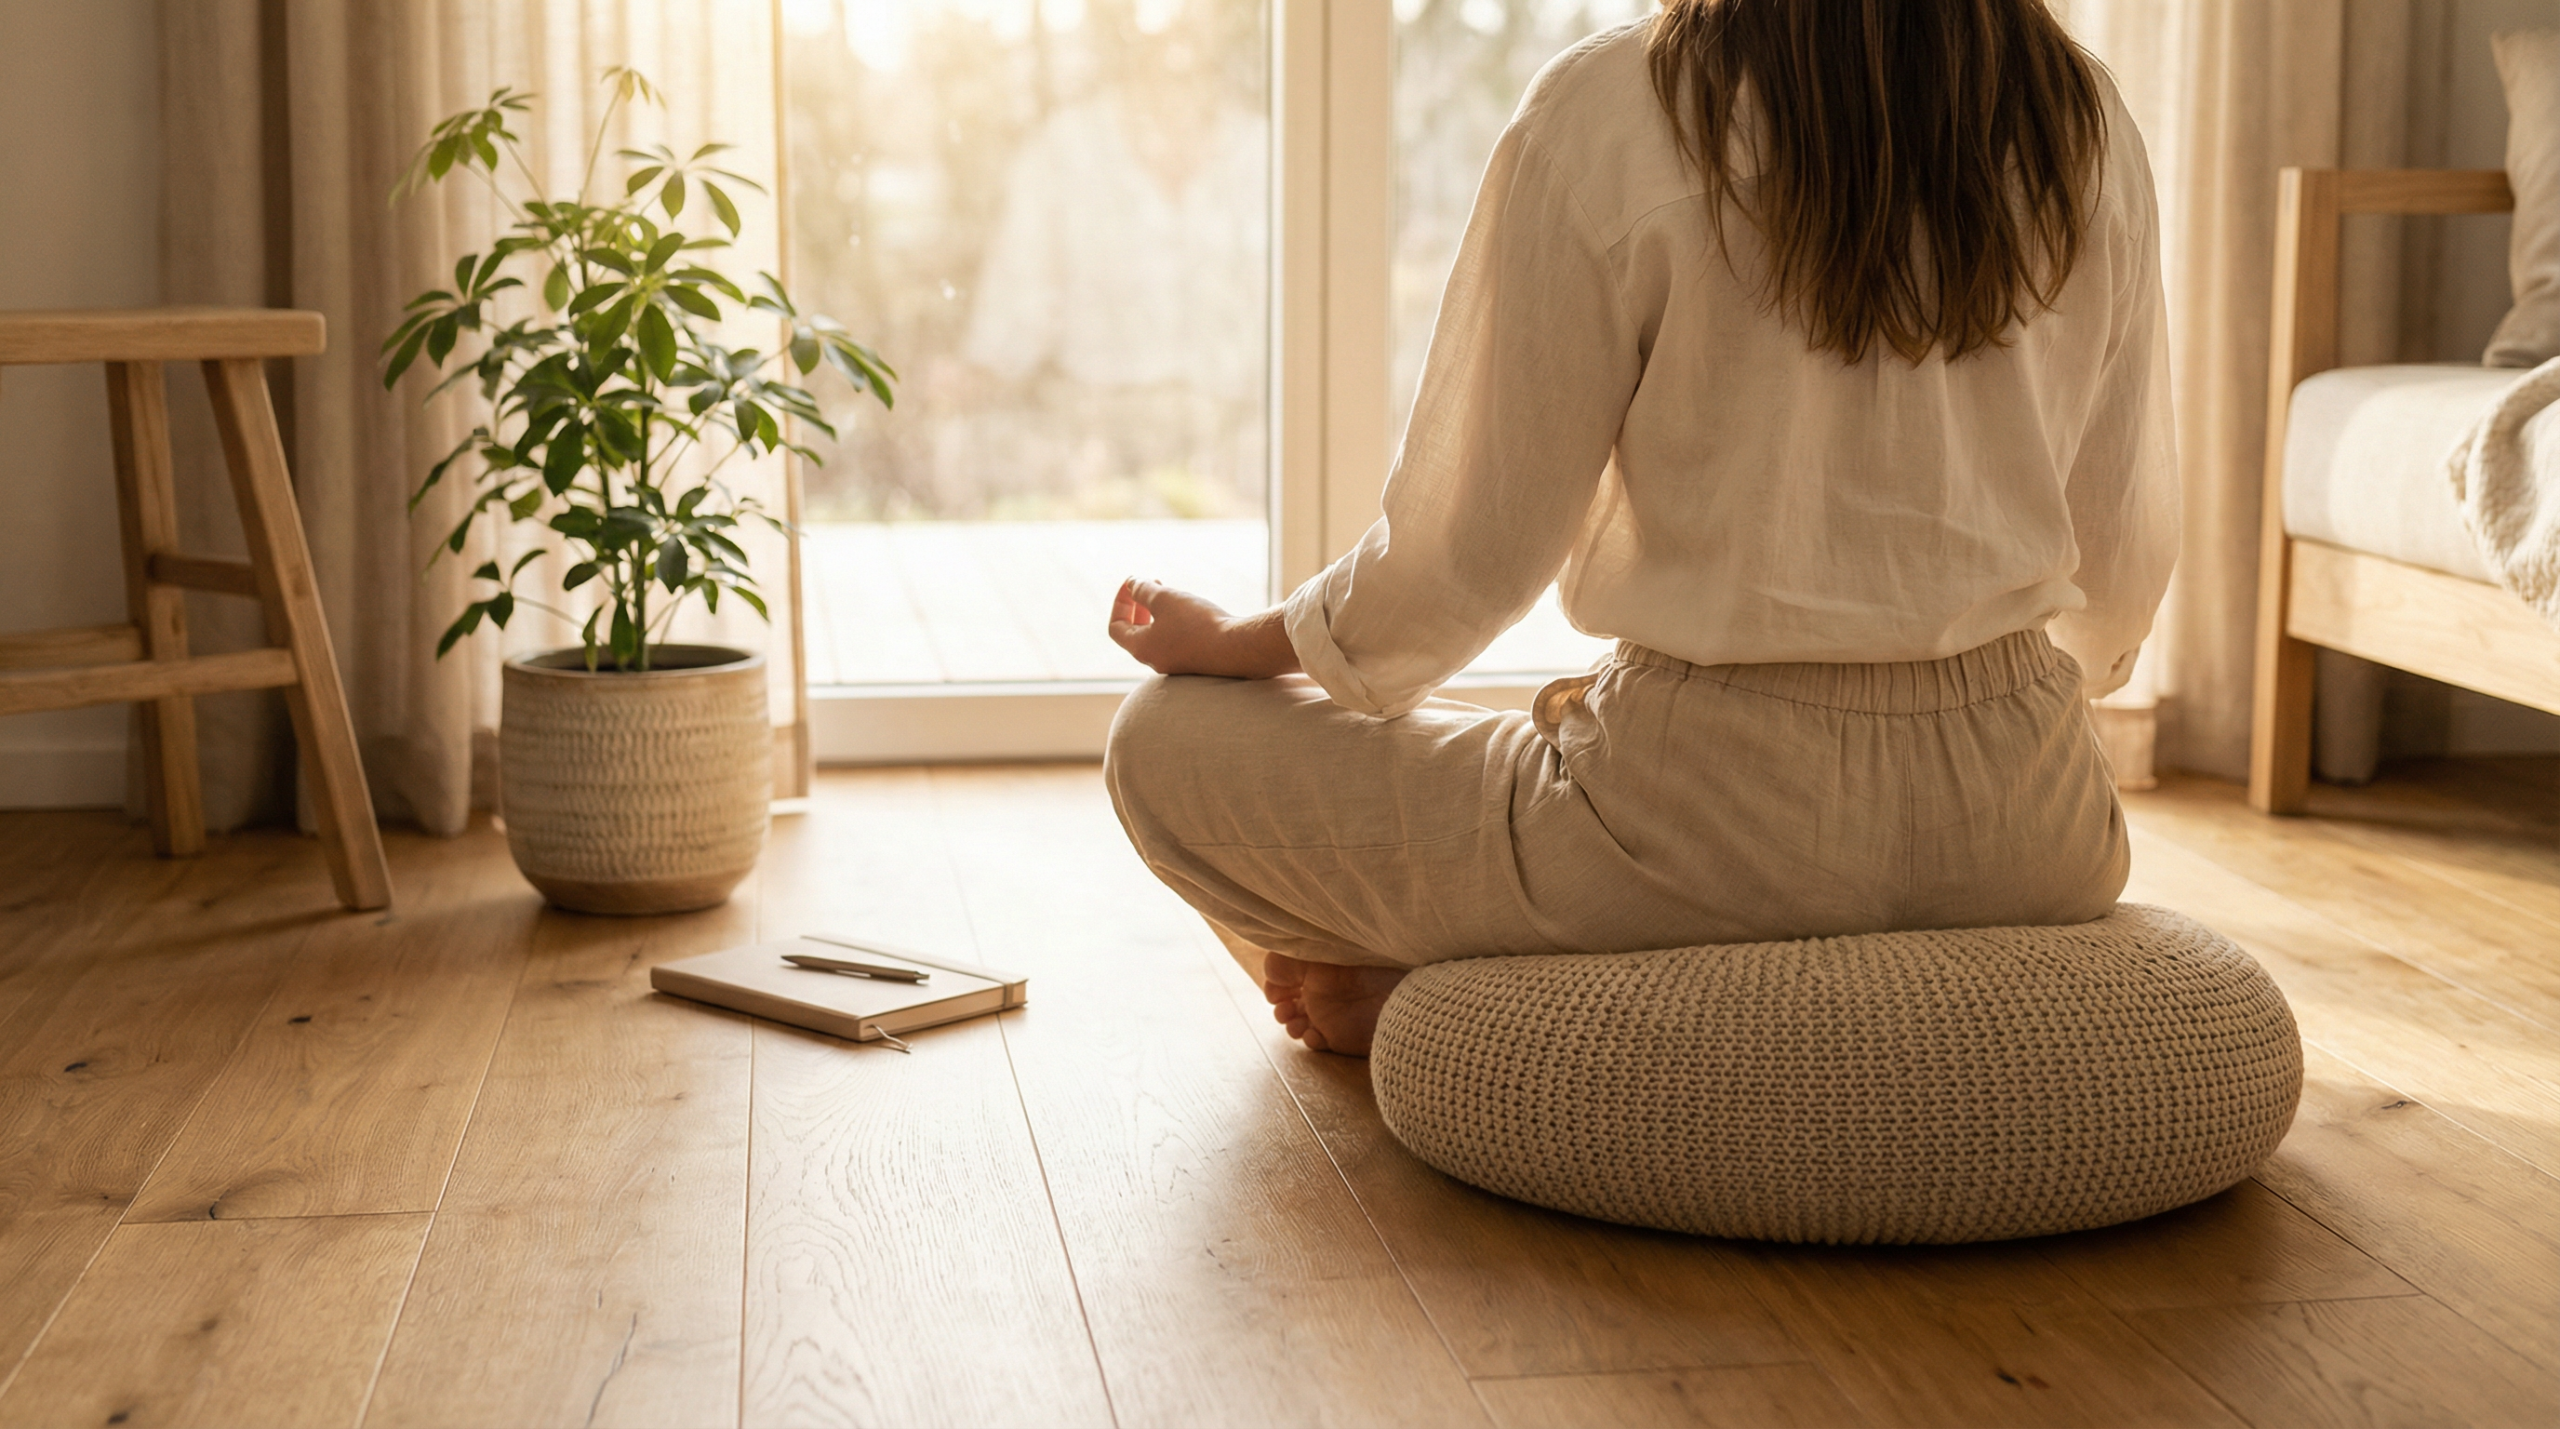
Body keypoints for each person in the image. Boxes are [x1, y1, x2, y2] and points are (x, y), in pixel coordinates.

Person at [1102, 0, 2177, 1056]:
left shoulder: (1610, 108)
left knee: (1158, 742)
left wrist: (1248, 641)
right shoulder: (2082, 117)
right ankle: (1544, 994)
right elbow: (2119, 550)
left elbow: (1465, 556)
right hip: (2035, 828)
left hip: (1689, 834)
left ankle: (1485, 1009)